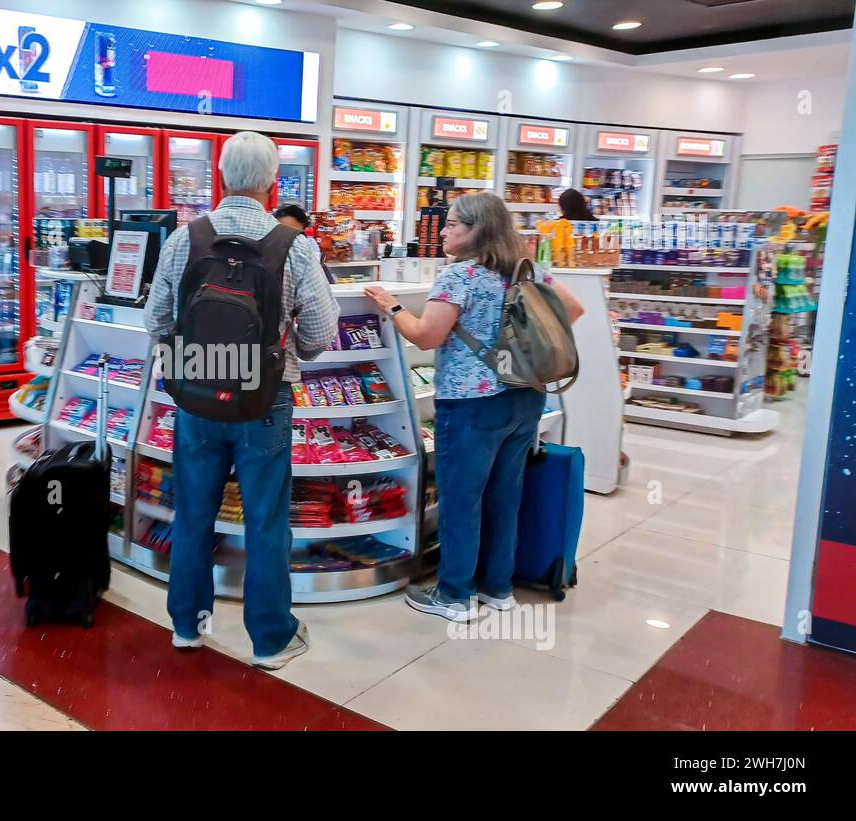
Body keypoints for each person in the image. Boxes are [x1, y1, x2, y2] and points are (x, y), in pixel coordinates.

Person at [147, 132, 339, 669]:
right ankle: (270, 639)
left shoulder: (185, 240)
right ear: (273, 181)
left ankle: (187, 625)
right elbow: (321, 335)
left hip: (196, 393)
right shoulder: (295, 246)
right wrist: (288, 345)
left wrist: (193, 351)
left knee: (192, 513)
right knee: (266, 519)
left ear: (222, 176)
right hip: (264, 397)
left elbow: (157, 320)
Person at [363, 192, 583, 622]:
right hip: (525, 395)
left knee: (462, 500)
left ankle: (455, 595)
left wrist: (391, 307)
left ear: (475, 229)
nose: (443, 231)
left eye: (451, 224)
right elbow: (573, 308)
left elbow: (427, 336)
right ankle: (497, 589)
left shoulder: (459, 276)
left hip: (470, 403)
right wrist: (519, 345)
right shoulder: (528, 270)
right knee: (505, 496)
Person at [273, 203, 336, 284]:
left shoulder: (313, 264)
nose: (287, 239)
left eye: (294, 235)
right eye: (282, 232)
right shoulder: (265, 262)